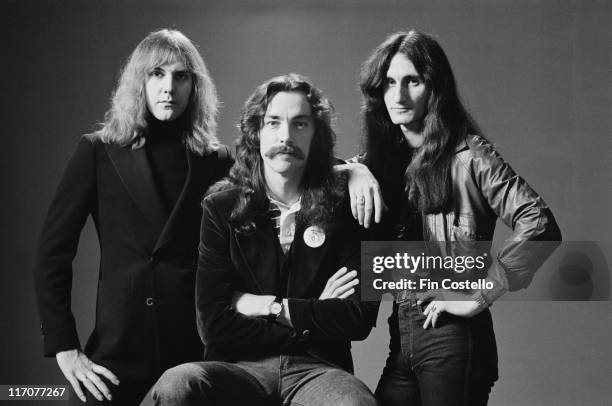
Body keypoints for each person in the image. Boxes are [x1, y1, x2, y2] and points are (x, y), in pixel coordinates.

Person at [348, 30, 562, 405]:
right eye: (389, 83)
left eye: (412, 81)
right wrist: (352, 172)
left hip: (453, 335)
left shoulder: (468, 155)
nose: (397, 96)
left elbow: (539, 223)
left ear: (435, 87)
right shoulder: (384, 162)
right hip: (403, 333)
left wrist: (481, 293)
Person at [142, 73, 379, 406]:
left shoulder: (346, 208)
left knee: (355, 404)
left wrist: (267, 306)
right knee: (177, 384)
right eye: (273, 123)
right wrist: (313, 311)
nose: (286, 135)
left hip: (319, 369)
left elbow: (358, 318)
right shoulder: (221, 208)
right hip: (236, 366)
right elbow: (213, 324)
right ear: (255, 132)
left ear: (316, 135)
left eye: (300, 124)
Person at [34, 29, 233, 405]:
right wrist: (64, 347)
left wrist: (351, 170)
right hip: (115, 357)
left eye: (181, 76)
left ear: (195, 86)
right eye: (156, 73)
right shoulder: (98, 151)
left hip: (192, 358)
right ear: (138, 80)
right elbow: (52, 254)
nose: (168, 87)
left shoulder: (215, 160)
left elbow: (276, 182)